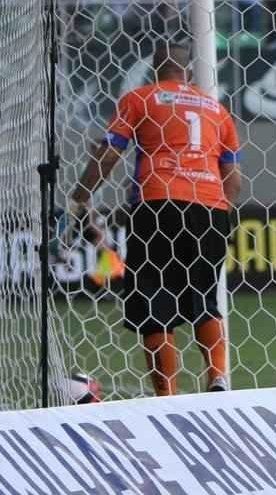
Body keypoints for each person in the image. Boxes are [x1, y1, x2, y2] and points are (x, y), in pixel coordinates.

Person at [68, 41, 242, 397]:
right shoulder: (216, 109)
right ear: (188, 73)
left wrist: (81, 195)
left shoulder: (140, 98)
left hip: (158, 203)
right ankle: (217, 376)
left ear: (155, 71)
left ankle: (167, 396)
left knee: (154, 298)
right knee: (204, 295)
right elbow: (234, 178)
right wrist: (217, 209)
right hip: (210, 207)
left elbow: (110, 153)